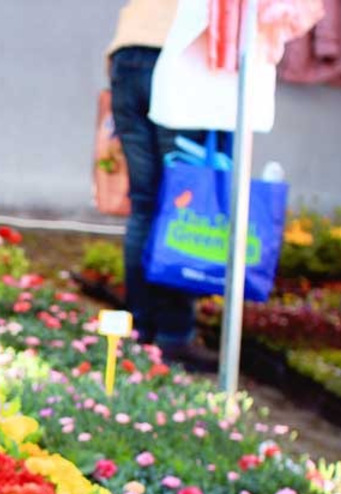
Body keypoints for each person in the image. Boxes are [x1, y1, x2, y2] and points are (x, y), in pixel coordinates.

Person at [107, 0, 220, 370]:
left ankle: (140, 330)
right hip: (178, 56)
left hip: (127, 55)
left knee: (144, 204)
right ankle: (173, 335)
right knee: (181, 204)